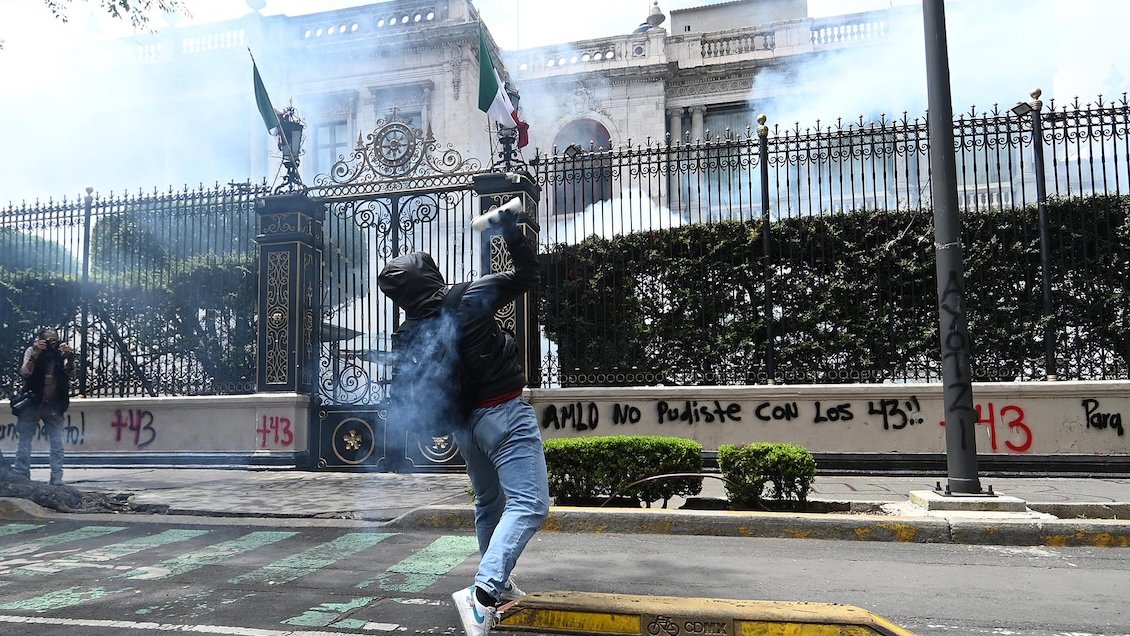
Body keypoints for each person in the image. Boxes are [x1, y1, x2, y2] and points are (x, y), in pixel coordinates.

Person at [376, 207, 548, 636]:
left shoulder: (408, 330)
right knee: (529, 504)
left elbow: (401, 389)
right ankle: (484, 593)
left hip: (464, 426)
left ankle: (499, 584)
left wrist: (392, 451)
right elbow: (527, 276)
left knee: (490, 504)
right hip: (505, 414)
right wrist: (509, 231)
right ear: (430, 273)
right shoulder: (466, 298)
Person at [14, 328, 75, 485]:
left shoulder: (61, 353)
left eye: (54, 339)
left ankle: (56, 478)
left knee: (57, 442)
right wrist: (35, 354)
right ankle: (22, 475)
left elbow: (69, 374)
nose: (51, 343)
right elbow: (25, 372)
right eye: (48, 340)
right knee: (25, 441)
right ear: (41, 340)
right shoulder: (32, 351)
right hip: (33, 403)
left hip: (54, 404)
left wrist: (69, 356)